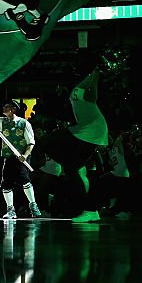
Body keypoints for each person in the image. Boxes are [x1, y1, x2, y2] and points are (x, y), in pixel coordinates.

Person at [35, 66, 107, 222]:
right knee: (70, 169)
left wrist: (96, 74)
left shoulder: (83, 92)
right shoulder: (76, 90)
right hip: (82, 131)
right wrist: (94, 73)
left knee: (44, 143)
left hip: (92, 132)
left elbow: (93, 93)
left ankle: (90, 210)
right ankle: (90, 210)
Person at [0, 99, 41, 218]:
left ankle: (33, 206)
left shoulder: (24, 123)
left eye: (7, 107)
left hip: (22, 156)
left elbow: (31, 142)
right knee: (6, 183)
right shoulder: (1, 121)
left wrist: (25, 156)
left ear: (13, 109)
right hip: (9, 156)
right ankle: (10, 210)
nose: (4, 108)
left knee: (24, 179)